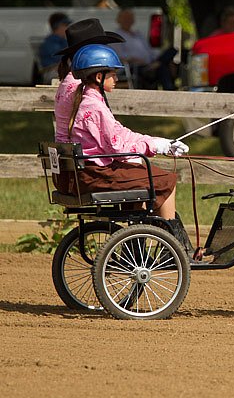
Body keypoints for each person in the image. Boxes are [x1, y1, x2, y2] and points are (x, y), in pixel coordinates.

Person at [53, 43, 193, 251]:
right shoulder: (94, 106)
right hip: (96, 173)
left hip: (89, 170)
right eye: (113, 74)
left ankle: (136, 248)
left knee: (143, 179)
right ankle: (172, 248)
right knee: (166, 181)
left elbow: (120, 133)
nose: (117, 79)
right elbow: (118, 145)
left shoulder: (86, 98)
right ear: (99, 77)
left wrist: (157, 142)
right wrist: (156, 145)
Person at [110, 8, 177, 90]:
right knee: (162, 67)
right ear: (119, 20)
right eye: (125, 18)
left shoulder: (138, 35)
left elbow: (150, 51)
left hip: (150, 63)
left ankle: (158, 64)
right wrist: (133, 59)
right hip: (136, 66)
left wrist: (156, 60)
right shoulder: (117, 36)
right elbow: (119, 55)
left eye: (130, 18)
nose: (128, 21)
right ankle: (169, 88)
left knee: (172, 50)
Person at [38, 12, 71, 83]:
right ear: (58, 26)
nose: (67, 27)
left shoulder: (64, 41)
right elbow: (61, 58)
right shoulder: (50, 42)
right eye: (65, 25)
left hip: (61, 70)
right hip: (51, 72)